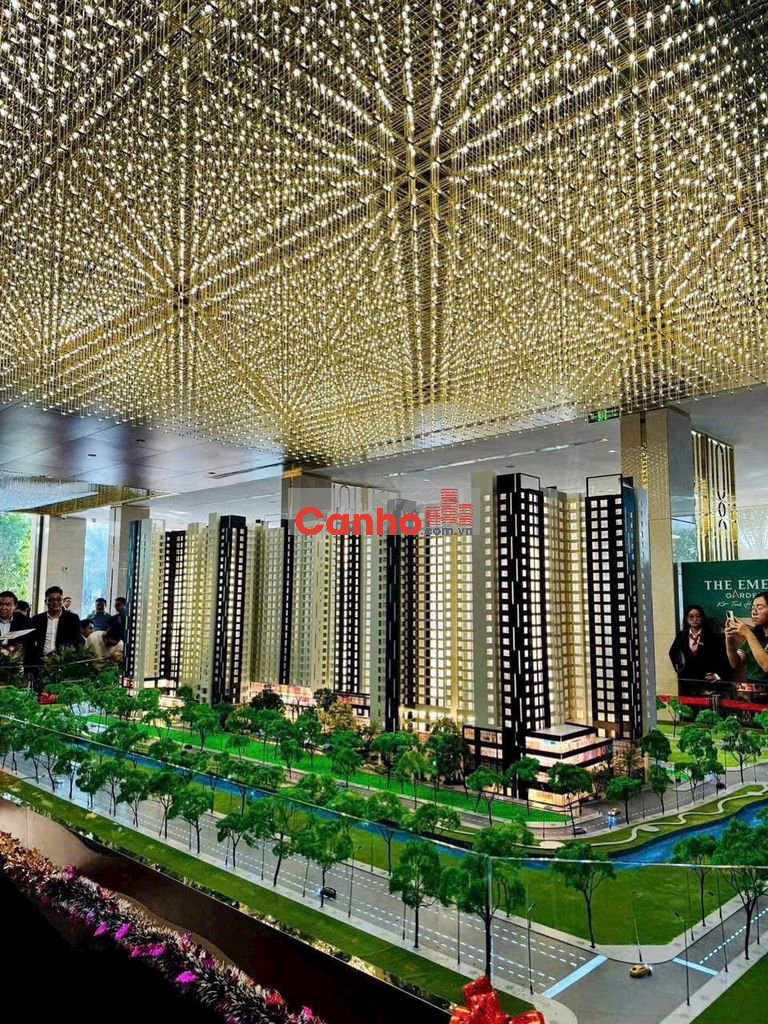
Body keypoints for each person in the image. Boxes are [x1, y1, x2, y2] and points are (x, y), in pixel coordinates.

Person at [668, 605, 727, 687]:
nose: (694, 619)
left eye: (698, 616)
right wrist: (680, 669)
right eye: (691, 616)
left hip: (707, 680)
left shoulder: (712, 636)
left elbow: (722, 657)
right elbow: (672, 653)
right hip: (687, 680)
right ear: (686, 618)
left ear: (702, 618)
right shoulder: (681, 636)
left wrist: (718, 675)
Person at [28, 586, 84, 665]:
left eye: (58, 599)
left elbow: (77, 641)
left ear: (62, 601)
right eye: (51, 600)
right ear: (46, 602)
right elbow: (31, 643)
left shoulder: (72, 619)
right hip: (40, 662)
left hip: (64, 663)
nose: (55, 602)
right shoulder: (37, 619)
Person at [726, 591, 768, 686]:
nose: (754, 612)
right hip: (753, 690)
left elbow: (766, 666)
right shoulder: (755, 636)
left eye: (760, 608)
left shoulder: (750, 636)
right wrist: (729, 639)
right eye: (752, 608)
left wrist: (748, 633)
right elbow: (735, 663)